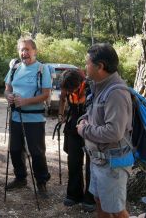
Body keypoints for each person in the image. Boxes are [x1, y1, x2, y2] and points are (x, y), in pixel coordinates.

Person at [76, 43, 133, 218]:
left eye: (87, 63)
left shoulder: (116, 93)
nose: (85, 67)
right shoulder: (101, 87)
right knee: (100, 201)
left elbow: (113, 132)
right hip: (100, 161)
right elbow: (96, 116)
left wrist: (84, 130)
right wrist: (85, 119)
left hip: (112, 164)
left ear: (100, 66)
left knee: (116, 210)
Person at [4, 37, 52, 198]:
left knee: (37, 152)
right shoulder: (15, 68)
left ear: (34, 51)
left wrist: (25, 101)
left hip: (35, 119)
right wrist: (9, 97)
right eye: (22, 50)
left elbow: (46, 94)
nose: (24, 53)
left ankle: (41, 182)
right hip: (16, 117)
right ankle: (20, 178)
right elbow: (7, 89)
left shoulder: (42, 69)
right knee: (15, 150)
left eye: (27, 49)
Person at [58, 69, 95, 212]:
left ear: (79, 83)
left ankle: (90, 197)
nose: (69, 91)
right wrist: (61, 114)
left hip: (90, 127)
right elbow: (62, 98)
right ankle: (74, 194)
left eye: (71, 88)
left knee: (91, 164)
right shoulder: (66, 86)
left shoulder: (91, 87)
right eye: (67, 88)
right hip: (73, 127)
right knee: (73, 161)